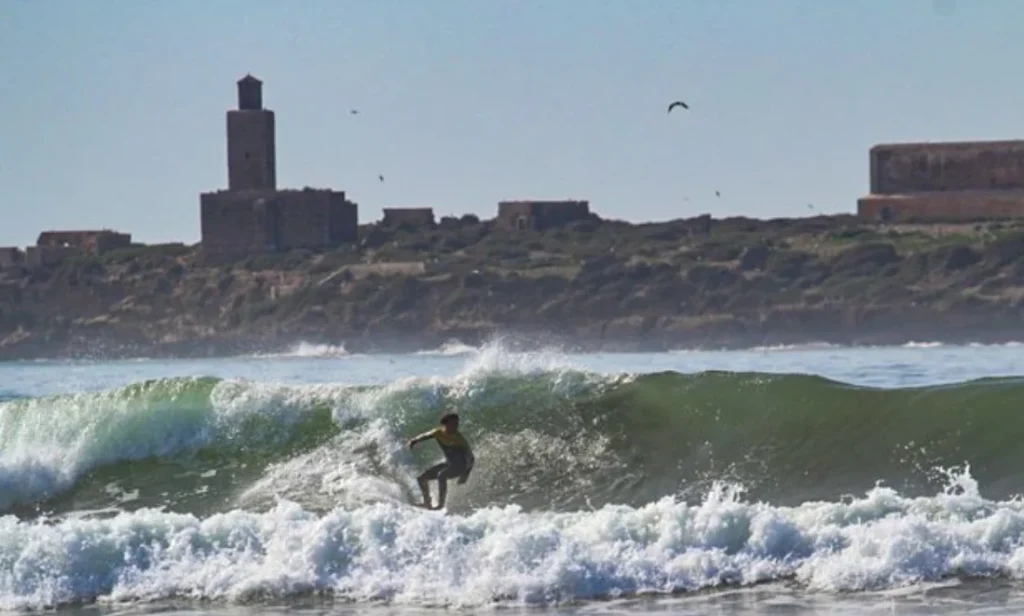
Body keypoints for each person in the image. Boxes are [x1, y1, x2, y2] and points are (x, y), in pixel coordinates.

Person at [407, 412, 474, 510]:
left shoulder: (459, 439)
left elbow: (471, 458)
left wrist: (466, 475)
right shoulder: (438, 433)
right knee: (421, 479)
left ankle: (440, 505)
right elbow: (425, 435)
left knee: (441, 475)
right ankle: (427, 503)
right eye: (453, 423)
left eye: (457, 423)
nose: (456, 426)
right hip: (449, 464)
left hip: (460, 467)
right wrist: (414, 441)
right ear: (445, 424)